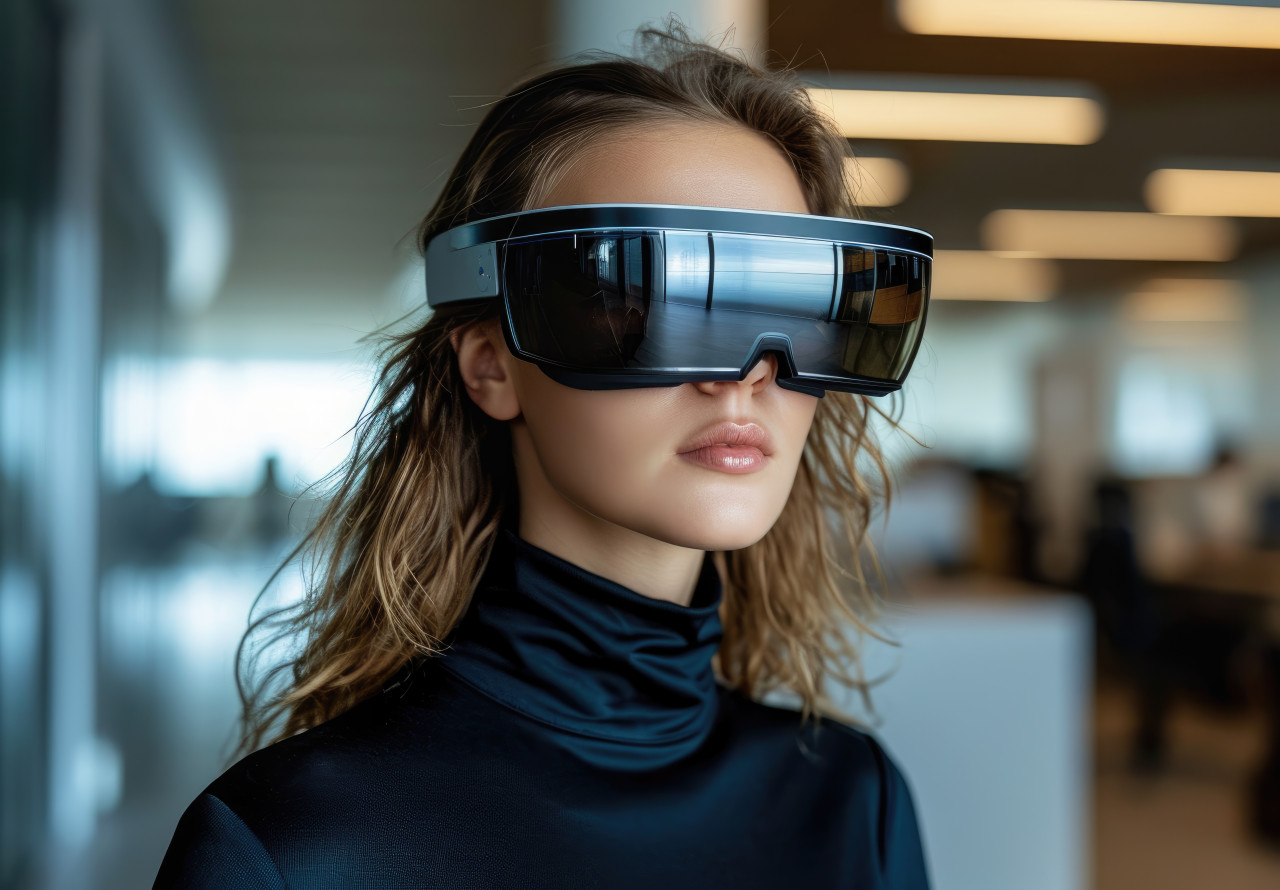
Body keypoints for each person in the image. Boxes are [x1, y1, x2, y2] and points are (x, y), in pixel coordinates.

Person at [154, 20, 932, 889]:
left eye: (798, 305)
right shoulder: (290, 848)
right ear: (491, 364)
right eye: (643, 300)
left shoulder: (853, 804)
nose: (748, 373)